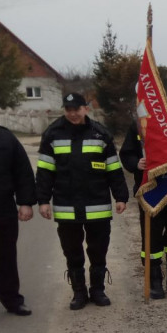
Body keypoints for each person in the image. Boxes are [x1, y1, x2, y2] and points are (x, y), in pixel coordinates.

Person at [36, 92, 128, 309]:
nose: (73, 114)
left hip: (97, 205)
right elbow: (45, 171)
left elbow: (114, 169)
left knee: (98, 250)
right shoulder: (52, 134)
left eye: (77, 109)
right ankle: (78, 292)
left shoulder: (100, 134)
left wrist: (121, 196)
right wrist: (42, 200)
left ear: (86, 108)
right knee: (72, 252)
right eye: (68, 110)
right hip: (67, 206)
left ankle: (97, 290)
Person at [119, 94, 167, 299]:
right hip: (150, 191)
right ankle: (153, 279)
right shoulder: (139, 127)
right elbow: (126, 154)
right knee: (151, 238)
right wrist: (137, 163)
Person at [0, 92, 36, 318]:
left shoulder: (4, 138)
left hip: (1, 212)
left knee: (6, 260)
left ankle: (12, 300)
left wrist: (25, 203)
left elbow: (22, 172)